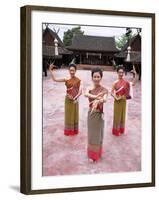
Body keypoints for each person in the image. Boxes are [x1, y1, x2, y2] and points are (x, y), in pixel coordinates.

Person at [49, 63, 82, 136]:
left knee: (74, 114)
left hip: (75, 100)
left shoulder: (78, 80)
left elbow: (80, 92)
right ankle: (68, 131)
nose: (72, 72)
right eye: (70, 70)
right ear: (68, 70)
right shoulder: (66, 78)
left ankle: (74, 130)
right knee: (68, 114)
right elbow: (55, 80)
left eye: (73, 70)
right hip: (67, 100)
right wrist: (51, 71)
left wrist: (75, 98)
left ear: (75, 71)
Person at [85, 67, 108, 162]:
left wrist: (100, 100)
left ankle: (98, 153)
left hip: (99, 115)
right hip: (91, 115)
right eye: (95, 76)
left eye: (98, 76)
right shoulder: (89, 88)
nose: (96, 78)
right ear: (92, 77)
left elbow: (105, 99)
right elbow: (86, 94)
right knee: (92, 135)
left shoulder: (104, 90)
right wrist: (96, 97)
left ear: (101, 78)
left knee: (99, 135)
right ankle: (92, 155)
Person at [111, 65, 137, 136]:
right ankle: (116, 130)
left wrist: (135, 74)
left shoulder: (126, 83)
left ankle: (121, 129)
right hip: (117, 101)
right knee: (117, 115)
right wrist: (115, 97)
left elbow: (134, 83)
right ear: (117, 73)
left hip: (124, 101)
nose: (121, 74)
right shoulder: (115, 82)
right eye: (119, 72)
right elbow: (111, 92)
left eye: (122, 72)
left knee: (122, 115)